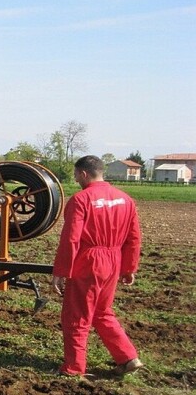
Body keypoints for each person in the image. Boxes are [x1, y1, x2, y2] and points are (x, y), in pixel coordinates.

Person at [52, 155, 144, 377]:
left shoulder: (81, 200)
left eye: (76, 175)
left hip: (89, 261)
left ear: (84, 173)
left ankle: (74, 368)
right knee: (102, 312)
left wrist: (62, 271)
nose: (76, 180)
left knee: (76, 315)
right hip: (113, 260)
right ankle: (129, 358)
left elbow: (71, 239)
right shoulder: (125, 199)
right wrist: (129, 267)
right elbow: (134, 238)